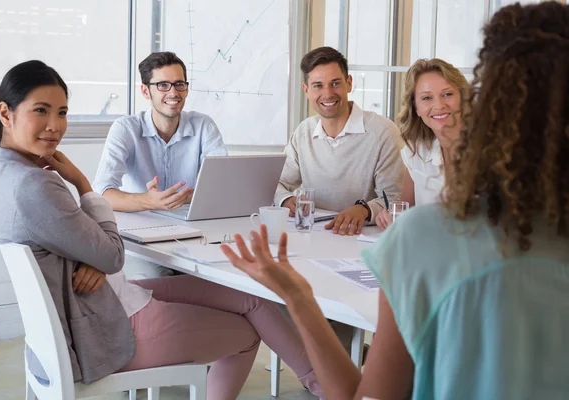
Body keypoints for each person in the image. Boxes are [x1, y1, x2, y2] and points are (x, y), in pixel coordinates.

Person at [221, 2, 569, 399]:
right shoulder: (314, 136)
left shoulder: (422, 237)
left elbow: (367, 396)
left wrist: (297, 296)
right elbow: (284, 184)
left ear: (486, 100)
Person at [0, 60, 324, 400]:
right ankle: (327, 386)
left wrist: (96, 255)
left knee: (252, 298)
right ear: (6, 113)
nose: (55, 126)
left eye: (62, 112)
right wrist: (83, 185)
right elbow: (113, 254)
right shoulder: (35, 185)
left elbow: (91, 247)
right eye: (41, 111)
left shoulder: (3, 172)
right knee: (250, 332)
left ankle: (323, 385)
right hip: (105, 324)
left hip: (106, 299)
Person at [93, 51, 228, 279]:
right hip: (141, 239)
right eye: (163, 85)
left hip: (193, 235)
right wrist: (148, 201)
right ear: (146, 91)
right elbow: (102, 193)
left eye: (179, 84)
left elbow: (223, 185)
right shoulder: (126, 129)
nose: (173, 93)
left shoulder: (203, 125)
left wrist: (182, 197)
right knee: (161, 279)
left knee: (223, 277)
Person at [274, 46, 405, 236]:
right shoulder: (304, 132)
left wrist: (364, 209)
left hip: (364, 239)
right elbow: (275, 183)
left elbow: (395, 199)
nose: (328, 94)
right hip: (316, 236)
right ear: (306, 90)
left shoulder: (383, 132)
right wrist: (285, 200)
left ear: (349, 83)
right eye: (318, 85)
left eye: (335, 83)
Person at [376, 58, 469, 229]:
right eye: (427, 98)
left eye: (447, 94)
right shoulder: (416, 152)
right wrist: (390, 218)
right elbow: (405, 213)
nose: (439, 105)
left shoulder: (490, 150)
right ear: (416, 108)